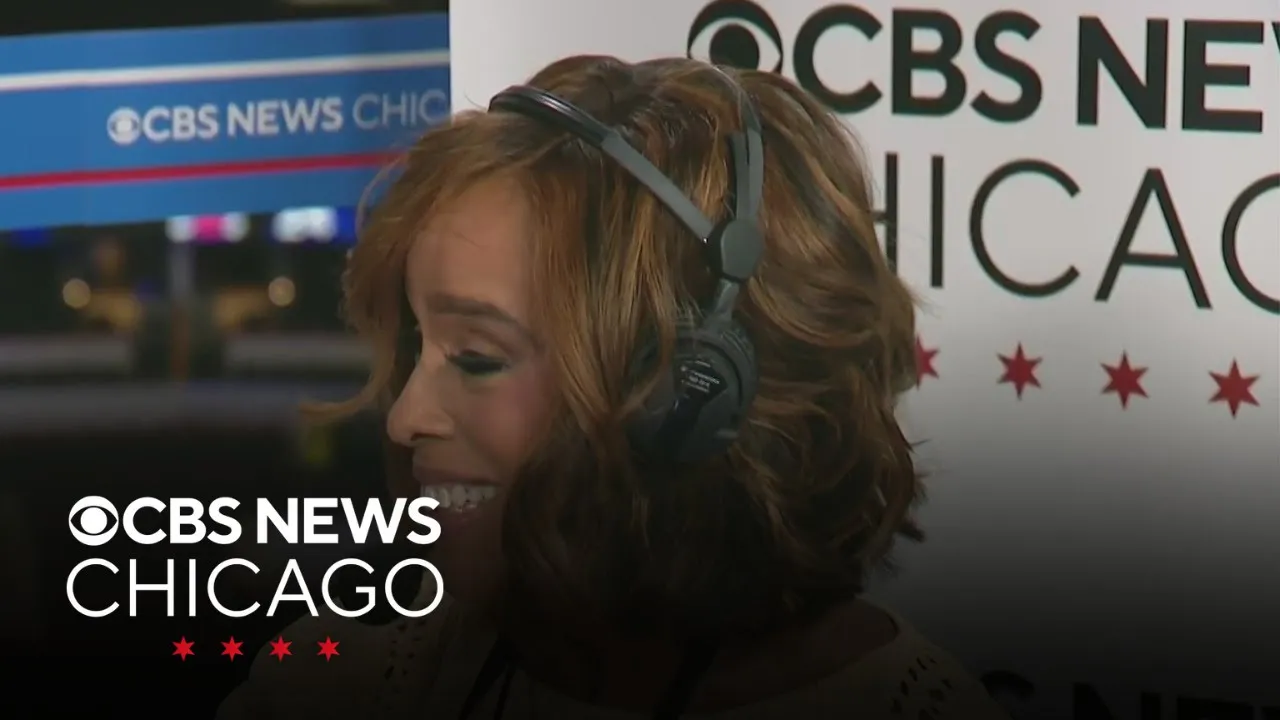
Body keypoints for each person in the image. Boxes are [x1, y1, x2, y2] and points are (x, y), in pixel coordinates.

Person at [217, 55, 1008, 719]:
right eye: (418, 346)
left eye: (478, 357)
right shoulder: (334, 690)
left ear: (692, 396)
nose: (405, 419)